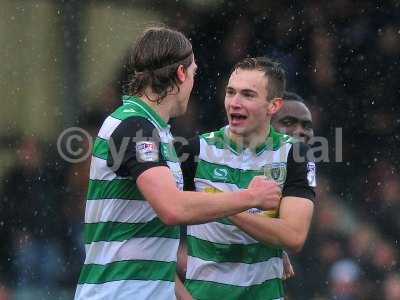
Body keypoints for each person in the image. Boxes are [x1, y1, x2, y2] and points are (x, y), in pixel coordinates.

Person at [74, 27, 282, 300]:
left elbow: (150, 242)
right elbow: (172, 208)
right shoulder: (133, 126)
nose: (194, 82)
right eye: (194, 73)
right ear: (181, 74)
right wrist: (250, 197)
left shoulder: (157, 131)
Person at [178, 57, 316, 299]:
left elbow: (294, 236)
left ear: (273, 106)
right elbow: (148, 229)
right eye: (231, 92)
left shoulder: (295, 154)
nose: (235, 102)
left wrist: (221, 204)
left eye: (248, 95)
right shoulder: (195, 151)